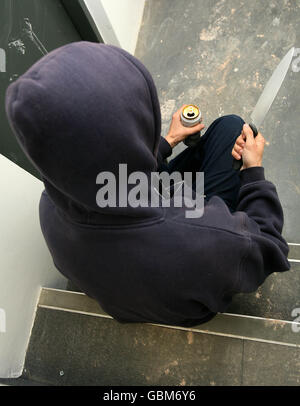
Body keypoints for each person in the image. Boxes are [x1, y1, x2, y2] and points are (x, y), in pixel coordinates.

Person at [5, 42, 290, 328]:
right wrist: (253, 171)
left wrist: (166, 143)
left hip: (132, 288)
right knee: (232, 128)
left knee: (228, 127)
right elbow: (269, 246)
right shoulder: (206, 240)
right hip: (185, 301)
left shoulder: (48, 209)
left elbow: (100, 168)